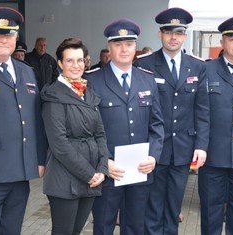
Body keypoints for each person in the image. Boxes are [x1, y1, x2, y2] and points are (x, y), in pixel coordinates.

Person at [134, 7, 210, 235]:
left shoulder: (197, 66)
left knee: (174, 205)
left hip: (183, 149)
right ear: (160, 34)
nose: (173, 37)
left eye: (178, 32)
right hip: (153, 150)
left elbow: (202, 110)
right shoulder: (144, 64)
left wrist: (201, 146)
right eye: (168, 32)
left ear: (185, 35)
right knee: (153, 206)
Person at [85, 18, 164, 235]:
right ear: (109, 47)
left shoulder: (148, 80)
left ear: (135, 47)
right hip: (109, 171)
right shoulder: (92, 81)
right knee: (103, 225)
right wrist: (103, 161)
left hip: (140, 170)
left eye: (128, 44)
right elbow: (86, 129)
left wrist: (154, 156)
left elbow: (157, 124)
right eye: (118, 44)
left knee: (136, 227)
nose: (124, 49)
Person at [0, 7, 47, 235]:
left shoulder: (26, 72)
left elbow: (35, 118)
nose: (3, 40)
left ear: (16, 37)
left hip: (20, 172)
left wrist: (39, 157)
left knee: (12, 230)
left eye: (9, 35)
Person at [40, 37, 109, 235]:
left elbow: (100, 134)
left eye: (80, 60)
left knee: (76, 231)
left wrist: (102, 168)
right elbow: (59, 144)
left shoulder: (88, 92)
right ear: (60, 63)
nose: (76, 65)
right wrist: (90, 174)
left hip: (92, 176)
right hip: (64, 178)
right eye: (69, 60)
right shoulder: (53, 96)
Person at [198, 15, 233, 235]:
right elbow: (200, 113)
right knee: (210, 212)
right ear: (222, 41)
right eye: (232, 38)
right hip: (213, 157)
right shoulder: (206, 71)